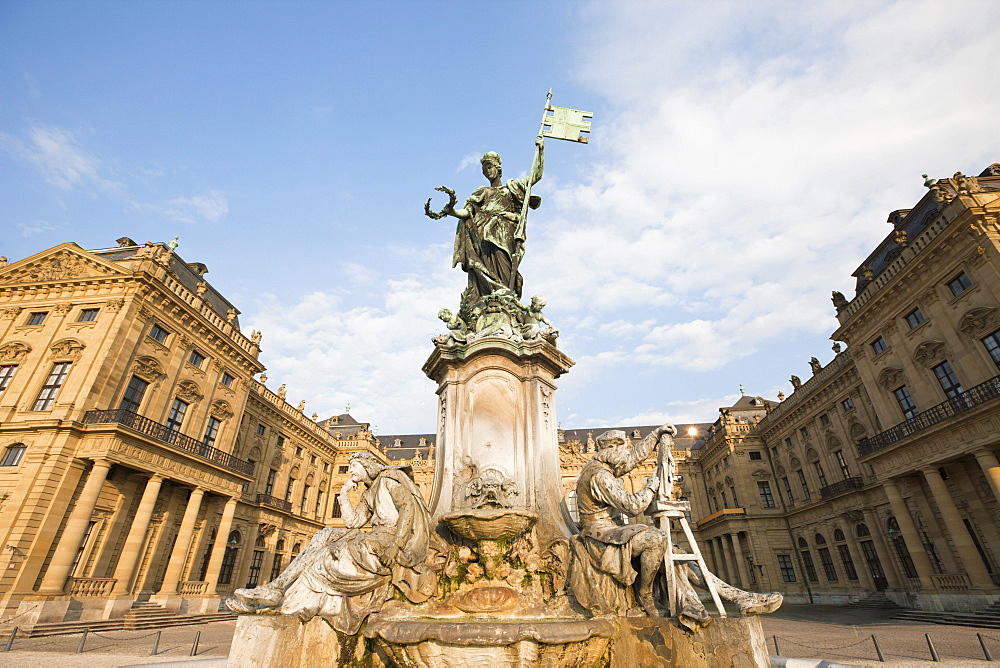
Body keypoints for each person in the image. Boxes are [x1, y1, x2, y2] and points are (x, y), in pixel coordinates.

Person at [569, 426, 781, 631]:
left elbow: (633, 458)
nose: (627, 452)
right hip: (601, 535)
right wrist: (652, 485)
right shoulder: (600, 475)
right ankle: (645, 594)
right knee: (656, 538)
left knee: (678, 555)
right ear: (613, 449)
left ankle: (734, 598)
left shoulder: (606, 466)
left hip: (614, 533)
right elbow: (633, 507)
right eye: (624, 448)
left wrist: (655, 435)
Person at [227, 451, 435, 634]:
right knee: (323, 534)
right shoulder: (368, 493)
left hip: (391, 537)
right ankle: (276, 588)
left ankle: (277, 602)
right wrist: (343, 494)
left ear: (366, 465)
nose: (350, 472)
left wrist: (395, 546)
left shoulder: (390, 477)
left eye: (353, 467)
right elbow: (354, 522)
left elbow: (407, 509)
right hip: (375, 535)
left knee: (326, 556)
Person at [439, 138, 544, 311]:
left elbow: (536, 175)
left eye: (490, 167)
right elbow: (467, 213)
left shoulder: (512, 188)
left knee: (505, 267)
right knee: (485, 269)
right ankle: (490, 302)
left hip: (505, 236)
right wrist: (451, 211)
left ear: (498, 168)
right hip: (484, 238)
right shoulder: (482, 192)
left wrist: (540, 150)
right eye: (484, 169)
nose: (488, 171)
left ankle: (506, 300)